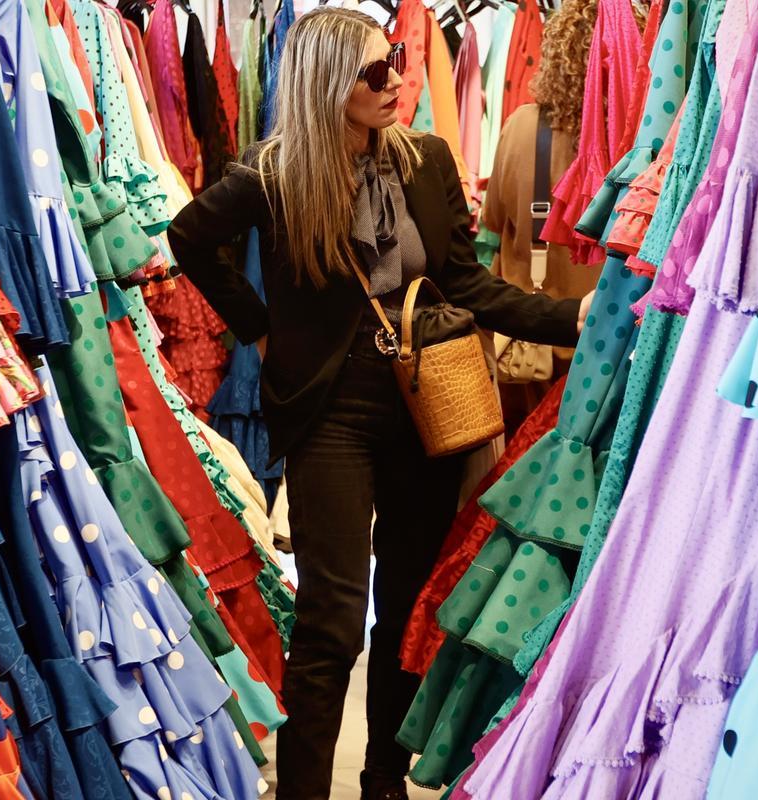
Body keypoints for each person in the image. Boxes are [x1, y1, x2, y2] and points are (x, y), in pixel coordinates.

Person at [165, 8, 592, 799]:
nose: (397, 77)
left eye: (394, 59)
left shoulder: (426, 159)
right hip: (329, 410)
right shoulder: (276, 172)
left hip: (427, 403)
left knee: (404, 607)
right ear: (329, 86)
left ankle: (383, 780)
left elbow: (467, 284)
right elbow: (189, 236)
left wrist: (574, 317)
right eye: (374, 70)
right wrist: (255, 326)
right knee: (331, 618)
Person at [481, 1, 604, 433]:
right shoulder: (634, 143)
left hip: (527, 344)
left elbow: (494, 223)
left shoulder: (520, 126)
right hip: (601, 348)